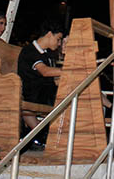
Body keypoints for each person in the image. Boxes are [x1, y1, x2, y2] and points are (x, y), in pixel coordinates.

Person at [17, 20, 65, 150]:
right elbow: (45, 71)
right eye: (58, 39)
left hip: (43, 91)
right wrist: (68, 71)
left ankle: (43, 135)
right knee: (67, 97)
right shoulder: (30, 51)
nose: (59, 43)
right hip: (33, 92)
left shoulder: (47, 54)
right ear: (49, 34)